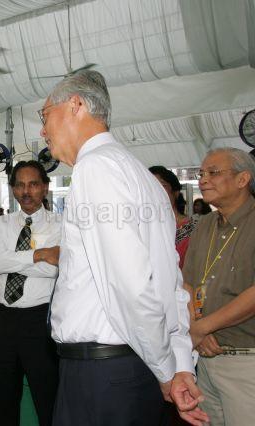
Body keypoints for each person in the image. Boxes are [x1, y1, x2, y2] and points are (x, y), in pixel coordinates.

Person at [40, 70, 208, 426]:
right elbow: (168, 281)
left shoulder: (95, 169)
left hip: (103, 374)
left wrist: (166, 370)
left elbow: (131, 286)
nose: (43, 131)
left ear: (76, 105)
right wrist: (177, 364)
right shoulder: (141, 176)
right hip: (134, 366)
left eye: (45, 116)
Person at [183, 148, 255, 425]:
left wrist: (201, 327)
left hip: (246, 361)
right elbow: (187, 282)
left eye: (213, 173)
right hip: (205, 358)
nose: (203, 179)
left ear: (242, 179)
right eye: (201, 174)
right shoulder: (203, 226)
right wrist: (196, 324)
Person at [0, 160, 60, 426]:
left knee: (48, 398)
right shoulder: (2, 224)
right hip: (3, 320)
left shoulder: (60, 225)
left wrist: (12, 260)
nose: (26, 191)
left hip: (41, 322)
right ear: (13, 189)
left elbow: (55, 272)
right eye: (19, 185)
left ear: (45, 188)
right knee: (3, 399)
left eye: (33, 184)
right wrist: (40, 255)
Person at [149, 166, 197, 268]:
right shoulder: (143, 228)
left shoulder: (195, 229)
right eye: (148, 186)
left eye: (161, 185)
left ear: (175, 192)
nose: (154, 191)